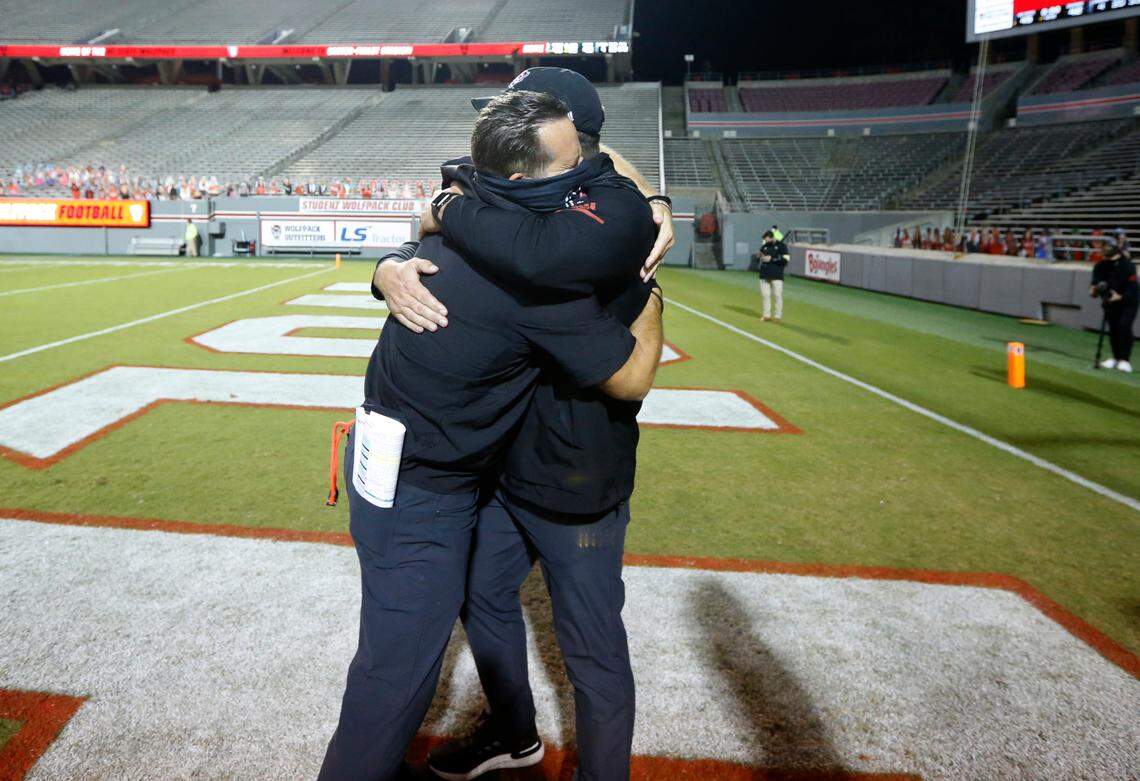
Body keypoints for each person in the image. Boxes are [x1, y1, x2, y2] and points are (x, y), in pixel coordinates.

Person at [319, 90, 663, 781]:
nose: (588, 173)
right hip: (427, 492)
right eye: (573, 161)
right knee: (395, 674)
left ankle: (512, 734)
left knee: (412, 646)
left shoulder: (461, 220)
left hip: (395, 460)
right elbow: (630, 377)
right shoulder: (535, 278)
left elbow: (451, 210)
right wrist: (651, 285)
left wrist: (390, 262)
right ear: (516, 181)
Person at [1090, 244, 1138, 373]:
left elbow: (1132, 288)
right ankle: (1116, 357)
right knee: (1113, 328)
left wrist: (1121, 296)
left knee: (1124, 326)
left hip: (1128, 302)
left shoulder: (1128, 266)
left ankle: (1125, 359)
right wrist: (1094, 290)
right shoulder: (1101, 265)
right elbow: (1095, 282)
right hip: (1110, 301)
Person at [756, 229, 789, 323]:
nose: (765, 242)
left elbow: (785, 260)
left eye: (767, 239)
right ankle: (766, 315)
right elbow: (758, 260)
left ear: (772, 238)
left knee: (777, 295)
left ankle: (777, 316)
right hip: (764, 274)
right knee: (765, 296)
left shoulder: (782, 246)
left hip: (777, 274)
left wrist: (772, 259)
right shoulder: (764, 247)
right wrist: (758, 256)